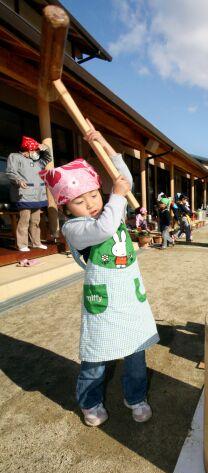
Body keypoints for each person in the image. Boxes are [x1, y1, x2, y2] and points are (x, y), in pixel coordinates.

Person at [40, 122, 159, 427]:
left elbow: (124, 180)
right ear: (67, 208)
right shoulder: (75, 228)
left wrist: (105, 144)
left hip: (129, 299)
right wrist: (116, 196)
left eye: (94, 195)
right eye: (80, 202)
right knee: (96, 357)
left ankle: (136, 397)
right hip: (103, 303)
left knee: (136, 354)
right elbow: (104, 227)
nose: (91, 204)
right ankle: (90, 402)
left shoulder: (110, 208)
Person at [6, 136, 52, 252]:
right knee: (24, 221)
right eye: (35, 150)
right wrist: (19, 181)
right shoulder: (15, 157)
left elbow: (48, 158)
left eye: (37, 151)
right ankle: (22, 244)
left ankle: (36, 243)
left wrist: (45, 149)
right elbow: (10, 172)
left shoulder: (38, 161)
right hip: (24, 195)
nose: (37, 153)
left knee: (36, 221)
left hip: (38, 195)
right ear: (28, 150)